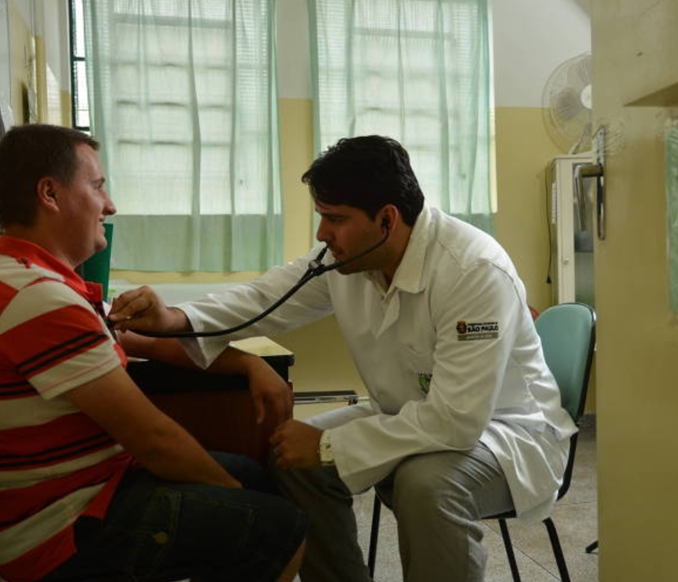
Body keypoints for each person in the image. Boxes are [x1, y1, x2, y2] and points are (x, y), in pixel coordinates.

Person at [109, 135, 578, 582]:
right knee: (290, 457)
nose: (322, 233)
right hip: (407, 415)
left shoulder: (471, 269)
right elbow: (262, 299)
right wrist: (173, 318)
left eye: (334, 218)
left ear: (387, 220)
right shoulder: (349, 258)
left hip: (507, 434)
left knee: (425, 484)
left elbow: (457, 422)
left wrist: (330, 446)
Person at [0, 124, 305, 582]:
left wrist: (246, 362)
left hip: (72, 493)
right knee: (278, 529)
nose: (110, 205)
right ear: (50, 194)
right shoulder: (39, 300)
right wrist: (233, 498)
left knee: (252, 476)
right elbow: (154, 440)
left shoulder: (12, 276)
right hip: (57, 527)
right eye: (97, 186)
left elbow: (140, 341)